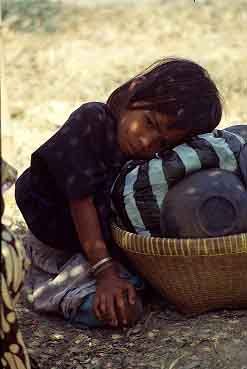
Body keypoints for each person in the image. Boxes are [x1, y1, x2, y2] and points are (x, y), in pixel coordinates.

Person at [15, 57, 222, 328]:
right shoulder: (92, 121)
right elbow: (82, 201)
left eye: (161, 142)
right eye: (149, 123)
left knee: (129, 306)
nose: (146, 142)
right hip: (57, 249)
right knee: (111, 308)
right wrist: (104, 273)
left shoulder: (148, 158)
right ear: (133, 91)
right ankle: (54, 290)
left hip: (101, 248)